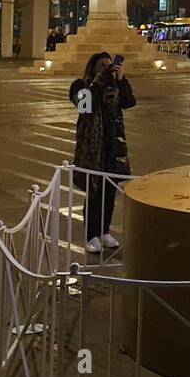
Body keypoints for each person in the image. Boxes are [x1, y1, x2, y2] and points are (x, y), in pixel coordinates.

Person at [69, 52, 135, 254]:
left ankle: (105, 231)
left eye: (109, 65)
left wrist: (121, 79)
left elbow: (129, 102)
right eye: (102, 66)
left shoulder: (115, 85)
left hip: (113, 144)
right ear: (93, 67)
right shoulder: (80, 85)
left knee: (110, 190)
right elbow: (84, 106)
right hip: (92, 147)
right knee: (95, 191)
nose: (106, 69)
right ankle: (91, 235)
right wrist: (96, 83)